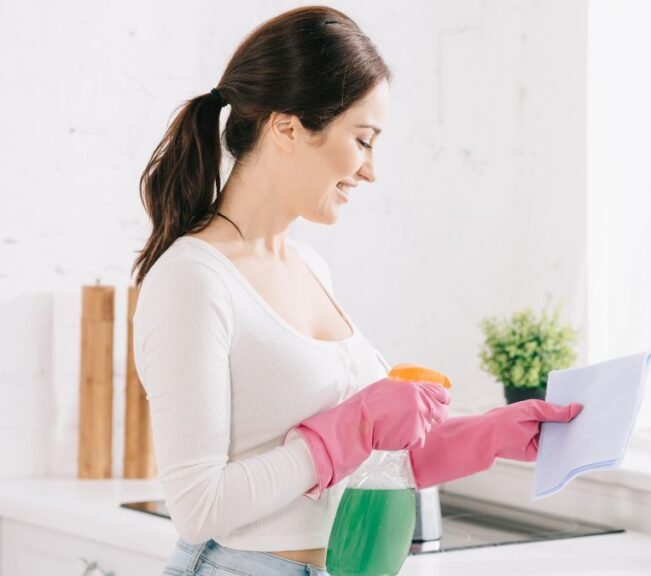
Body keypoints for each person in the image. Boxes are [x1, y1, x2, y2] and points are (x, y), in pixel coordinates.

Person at [130, 6, 582, 575]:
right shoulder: (193, 280)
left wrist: (494, 434)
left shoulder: (310, 268)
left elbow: (372, 458)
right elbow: (199, 506)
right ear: (287, 126)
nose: (370, 171)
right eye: (362, 139)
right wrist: (354, 424)